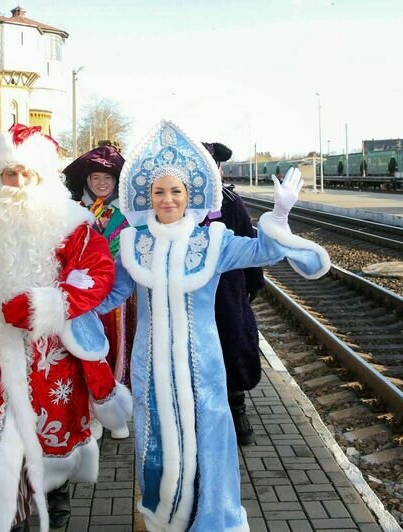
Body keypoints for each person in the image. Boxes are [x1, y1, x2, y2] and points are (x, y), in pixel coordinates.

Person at [96, 120, 329, 531]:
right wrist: (67, 294)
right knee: (156, 442)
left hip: (203, 366)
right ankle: (161, 517)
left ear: (190, 196)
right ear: (148, 197)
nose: (167, 199)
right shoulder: (136, 244)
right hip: (150, 369)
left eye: (176, 191)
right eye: (159, 192)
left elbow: (262, 251)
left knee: (210, 441)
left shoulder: (213, 243)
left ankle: (212, 519)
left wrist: (279, 214)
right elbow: (110, 295)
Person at [0, 124, 132, 531]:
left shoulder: (74, 224)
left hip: (53, 362)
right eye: (8, 174)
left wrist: (44, 306)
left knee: (51, 457)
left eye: (26, 174)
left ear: (43, 178)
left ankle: (56, 516)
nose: (16, 183)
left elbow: (96, 275)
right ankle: (7, 520)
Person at [202, 141, 265, 447]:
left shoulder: (230, 203)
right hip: (194, 294)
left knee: (232, 346)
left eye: (215, 165)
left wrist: (253, 284)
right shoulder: (181, 199)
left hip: (228, 290)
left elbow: (249, 241)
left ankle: (238, 410)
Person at [62, 144, 135, 408]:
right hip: (81, 293)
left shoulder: (127, 215)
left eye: (107, 178)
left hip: (118, 295)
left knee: (118, 343)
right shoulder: (74, 212)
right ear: (87, 181)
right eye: (96, 178)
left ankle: (117, 402)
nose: (101, 183)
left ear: (115, 181)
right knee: (83, 345)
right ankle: (88, 405)